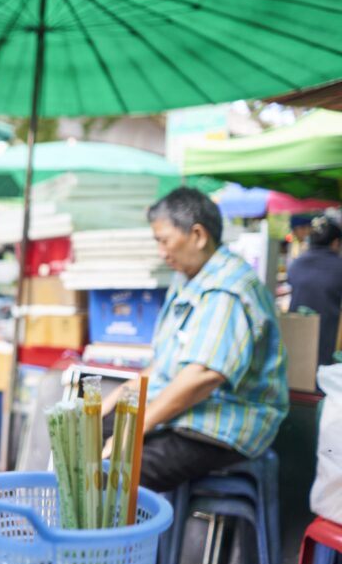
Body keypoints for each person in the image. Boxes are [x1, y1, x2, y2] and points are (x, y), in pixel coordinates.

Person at [102, 188, 288, 492]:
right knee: (88, 430)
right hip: (191, 413)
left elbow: (201, 377)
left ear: (198, 235)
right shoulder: (189, 278)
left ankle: (117, 539)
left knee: (119, 471)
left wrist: (135, 429)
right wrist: (117, 399)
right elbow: (165, 364)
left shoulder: (226, 289)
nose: (161, 252)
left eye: (164, 240)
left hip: (225, 423)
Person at [288, 216, 342, 366]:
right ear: (336, 243)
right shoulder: (339, 267)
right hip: (326, 351)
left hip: (295, 346)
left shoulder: (296, 265)